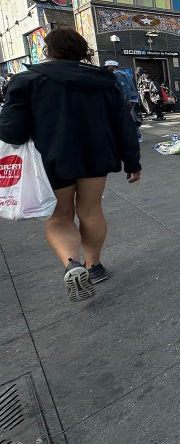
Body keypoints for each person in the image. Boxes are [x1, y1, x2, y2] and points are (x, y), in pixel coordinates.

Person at [0, 27, 141, 301]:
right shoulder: (105, 81)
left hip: (51, 160)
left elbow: (12, 133)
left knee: (60, 217)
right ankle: (95, 266)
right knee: (91, 209)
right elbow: (124, 124)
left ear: (48, 51)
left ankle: (71, 263)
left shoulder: (25, 81)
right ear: (82, 51)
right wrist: (132, 162)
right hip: (96, 156)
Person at [105, 61, 143, 142]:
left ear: (112, 66)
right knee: (131, 118)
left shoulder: (117, 74)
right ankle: (136, 136)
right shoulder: (124, 73)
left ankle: (135, 136)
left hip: (128, 99)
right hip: (131, 98)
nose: (107, 69)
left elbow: (124, 87)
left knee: (128, 119)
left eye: (107, 67)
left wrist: (127, 100)